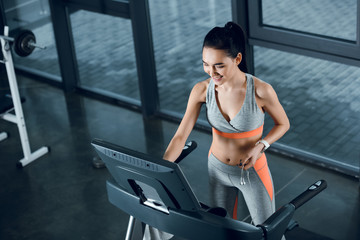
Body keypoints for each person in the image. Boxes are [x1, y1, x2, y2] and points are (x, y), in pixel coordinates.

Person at [145, 21, 290, 240]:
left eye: (219, 65)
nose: (211, 72)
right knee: (222, 233)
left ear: (237, 59)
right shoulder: (201, 90)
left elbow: (283, 124)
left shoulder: (260, 90)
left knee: (268, 234)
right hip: (218, 170)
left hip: (252, 172)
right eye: (205, 64)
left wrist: (261, 146)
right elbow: (180, 135)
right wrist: (160, 169)